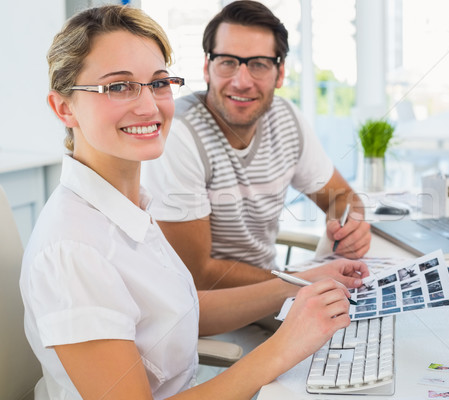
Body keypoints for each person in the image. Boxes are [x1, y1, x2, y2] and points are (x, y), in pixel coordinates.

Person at [19, 5, 369, 399]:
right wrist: (283, 348)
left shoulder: (126, 209)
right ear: (63, 107)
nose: (149, 106)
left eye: (158, 83)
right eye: (118, 86)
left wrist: (297, 285)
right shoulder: (74, 250)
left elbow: (179, 312)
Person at [142, 0, 372, 290]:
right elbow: (197, 276)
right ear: (206, 67)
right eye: (227, 62)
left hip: (274, 294)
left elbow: (341, 197)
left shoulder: (286, 119)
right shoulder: (179, 133)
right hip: (210, 317)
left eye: (259, 65)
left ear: (280, 73)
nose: (241, 81)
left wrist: (351, 226)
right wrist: (303, 283)